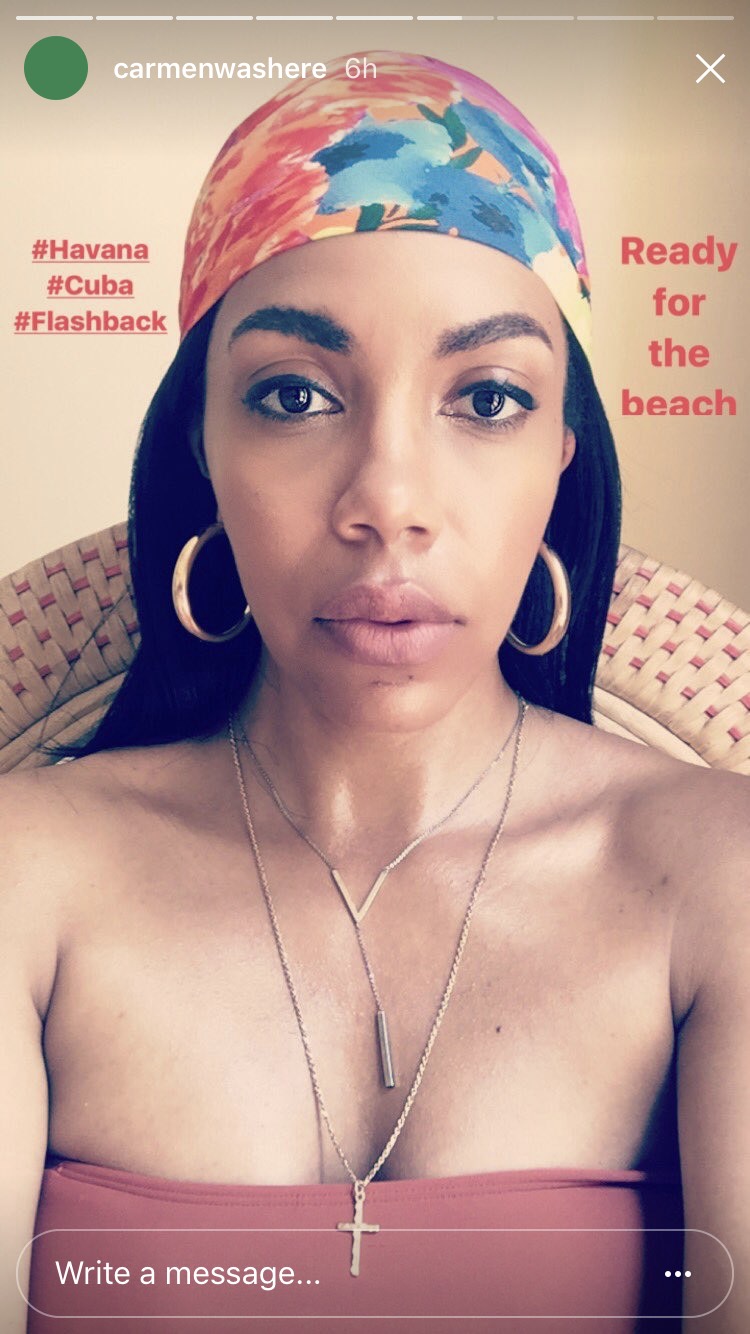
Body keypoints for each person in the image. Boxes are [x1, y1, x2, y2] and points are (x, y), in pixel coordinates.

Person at [2, 49, 748, 1334]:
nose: (388, 501)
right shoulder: (28, 869)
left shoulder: (715, 877)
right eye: (294, 395)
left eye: (488, 397)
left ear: (561, 458)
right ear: (203, 444)